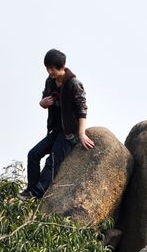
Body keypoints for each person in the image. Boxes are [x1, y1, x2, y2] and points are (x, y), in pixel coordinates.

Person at [20, 48, 96, 199]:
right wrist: (43, 103)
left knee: (53, 159)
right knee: (33, 154)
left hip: (70, 132)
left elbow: (82, 109)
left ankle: (38, 192)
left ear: (62, 66)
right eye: (47, 68)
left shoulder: (74, 83)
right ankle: (31, 188)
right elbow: (43, 101)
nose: (50, 71)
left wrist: (81, 133)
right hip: (56, 129)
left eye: (52, 68)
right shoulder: (50, 81)